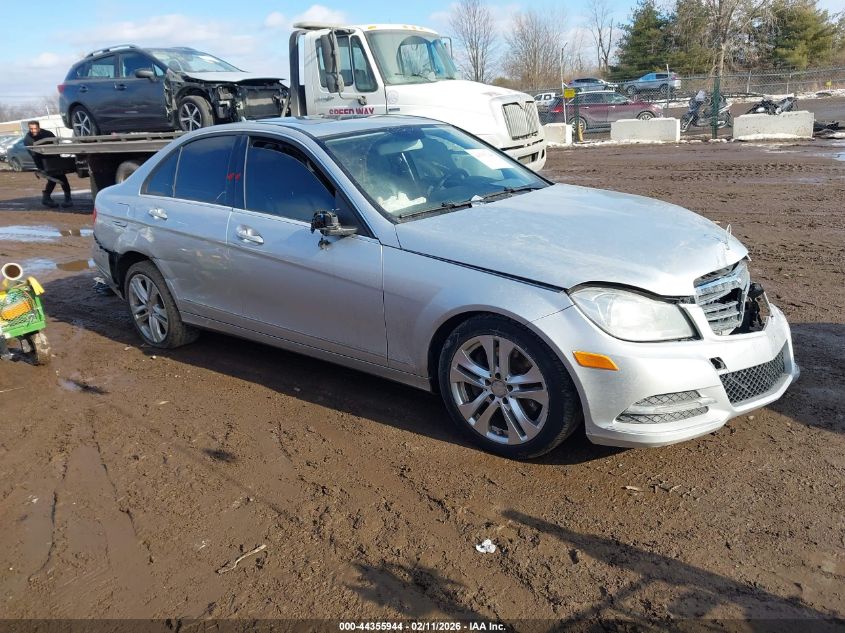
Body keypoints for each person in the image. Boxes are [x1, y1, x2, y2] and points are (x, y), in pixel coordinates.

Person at [23, 121, 72, 208]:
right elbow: (34, 155)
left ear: (39, 127)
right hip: (43, 161)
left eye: (35, 128)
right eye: (31, 129)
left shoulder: (47, 133)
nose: (33, 130)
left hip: (54, 158)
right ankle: (65, 199)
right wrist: (41, 168)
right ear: (29, 128)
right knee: (58, 178)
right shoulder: (28, 139)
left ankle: (47, 197)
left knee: (58, 178)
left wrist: (58, 158)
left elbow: (56, 145)